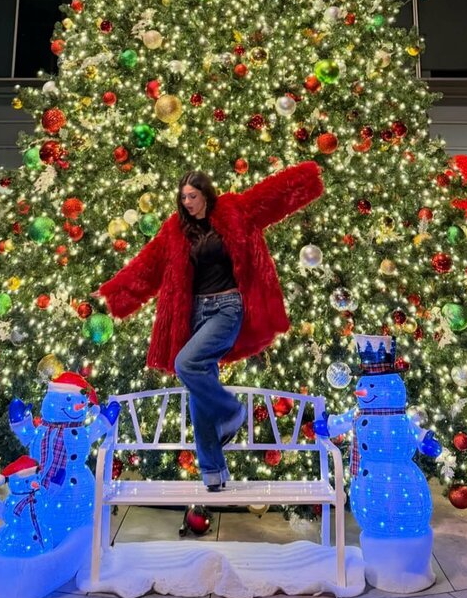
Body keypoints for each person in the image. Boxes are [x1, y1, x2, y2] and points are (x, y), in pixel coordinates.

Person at [96, 161, 324, 491]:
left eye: (192, 196)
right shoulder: (176, 230)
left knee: (186, 364)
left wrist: (306, 178)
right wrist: (113, 292)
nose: (187, 202)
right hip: (196, 313)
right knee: (199, 393)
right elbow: (148, 264)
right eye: (183, 197)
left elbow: (271, 196)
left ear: (205, 194)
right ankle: (213, 472)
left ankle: (231, 411)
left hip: (228, 307)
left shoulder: (233, 209)